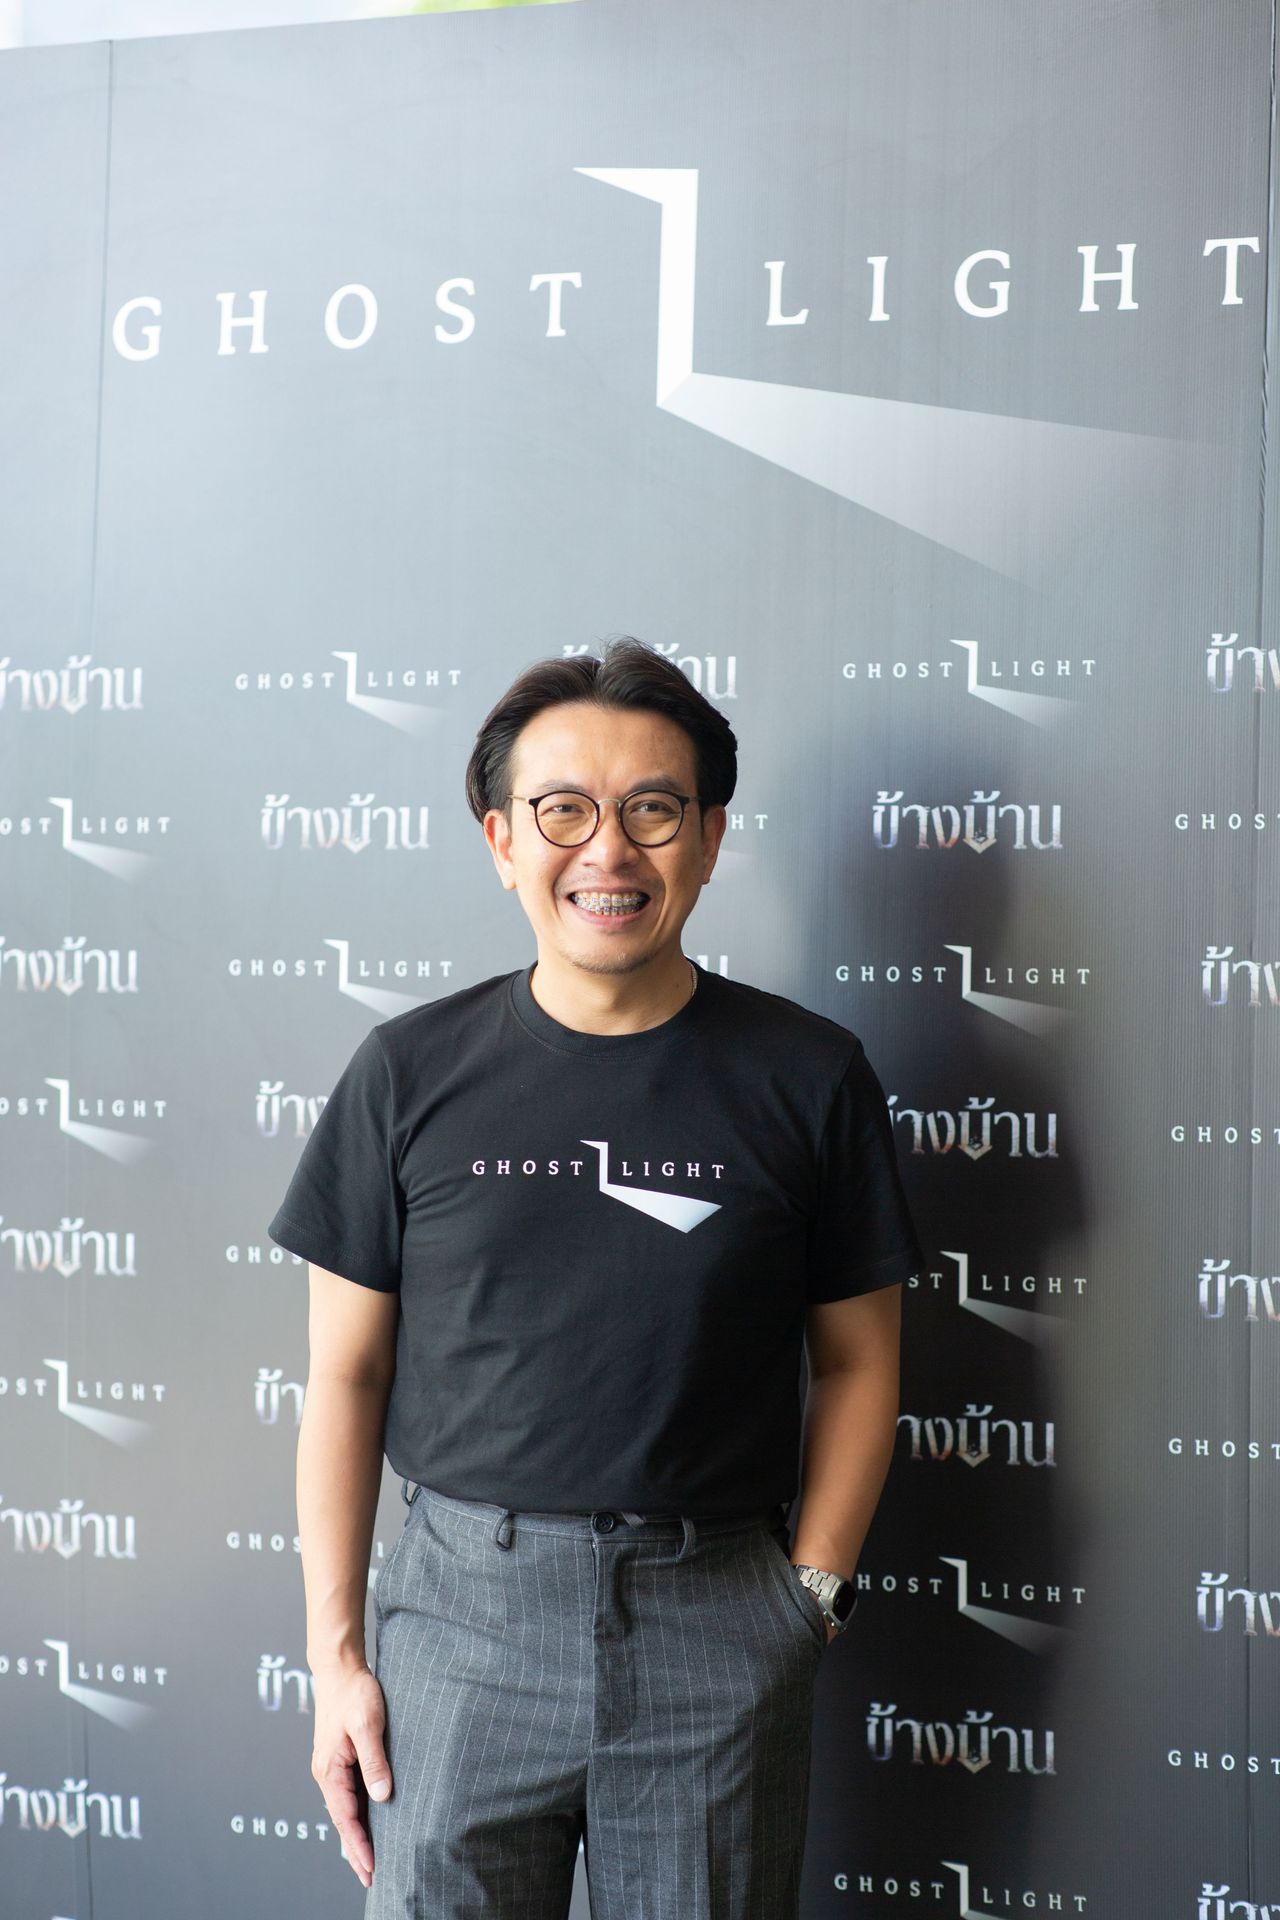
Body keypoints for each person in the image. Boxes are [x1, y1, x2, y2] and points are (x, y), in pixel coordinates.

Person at [267, 636, 923, 1919]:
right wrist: (336, 1659)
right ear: (502, 840)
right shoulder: (404, 1073)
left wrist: (807, 1599)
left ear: (710, 838)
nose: (607, 851)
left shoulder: (809, 1076)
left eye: (652, 810)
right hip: (459, 1633)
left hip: (718, 1628)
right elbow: (344, 1376)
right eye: (562, 810)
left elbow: (858, 1362)